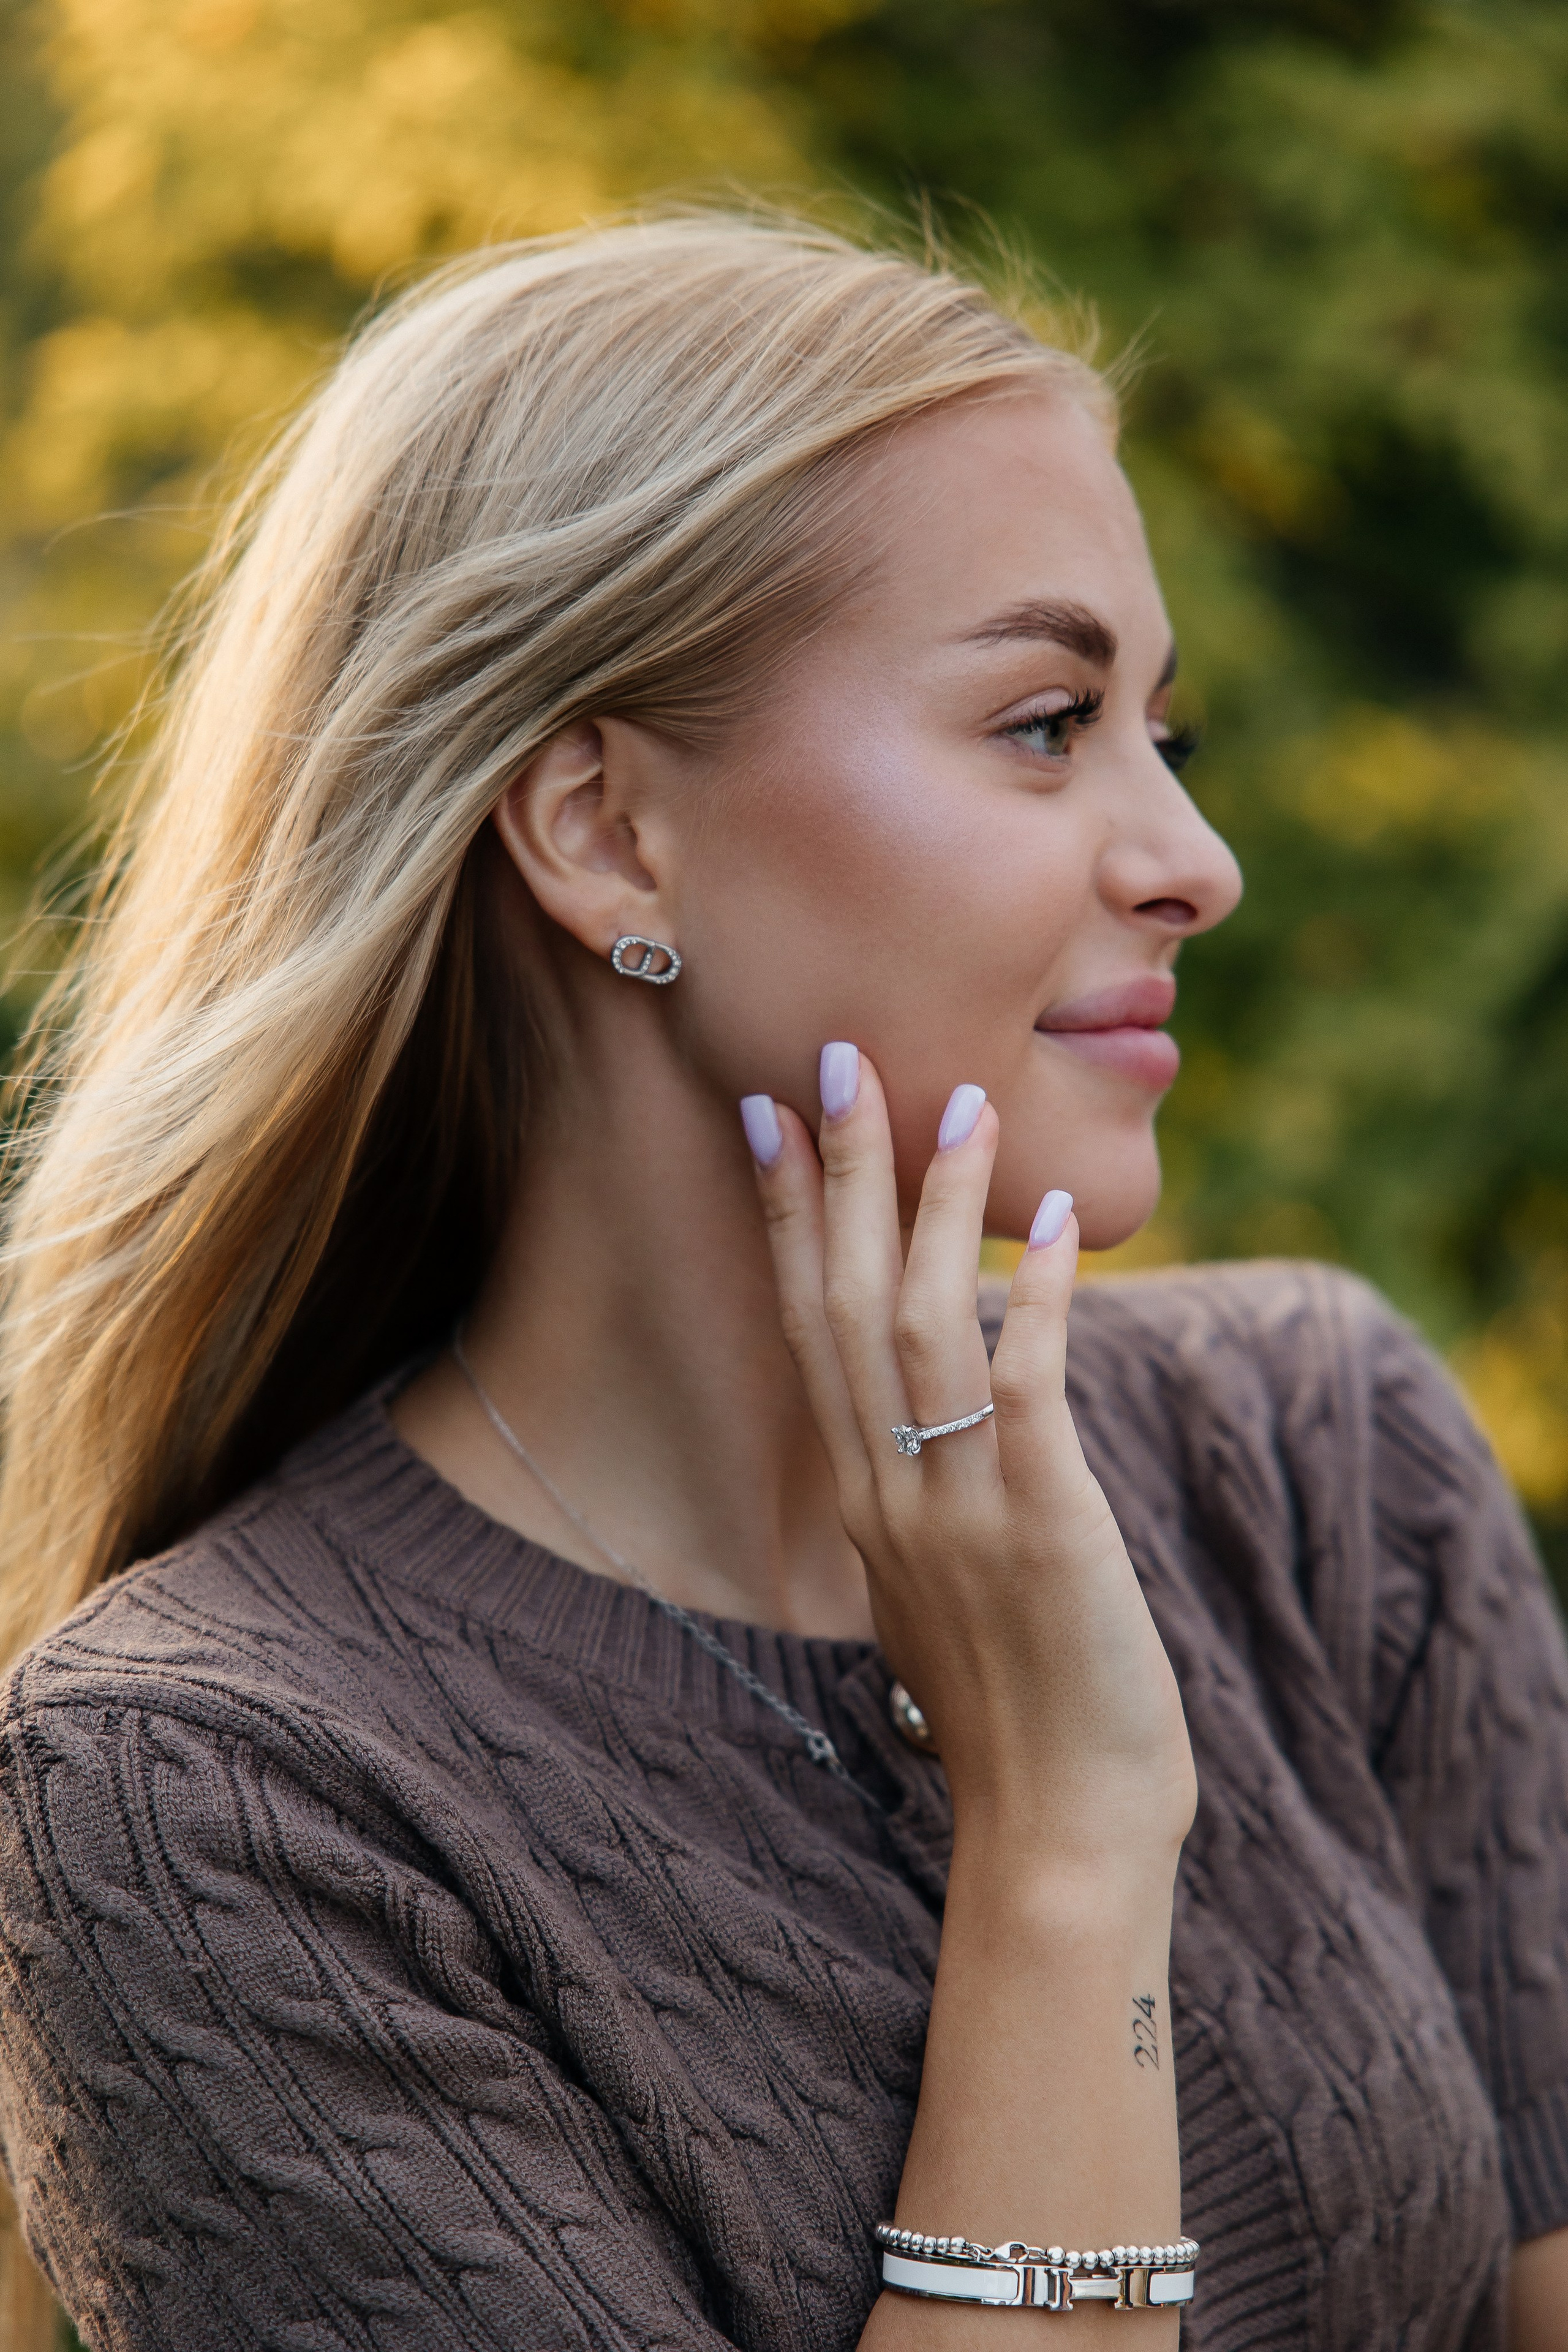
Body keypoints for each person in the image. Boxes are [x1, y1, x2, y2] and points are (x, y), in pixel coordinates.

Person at [0, 214, 1562, 2352]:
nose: (1195, 864)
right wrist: (1066, 1839)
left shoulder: (1316, 1460)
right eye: (1047, 722)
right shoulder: (209, 1801)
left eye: (1164, 737)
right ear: (605, 833)